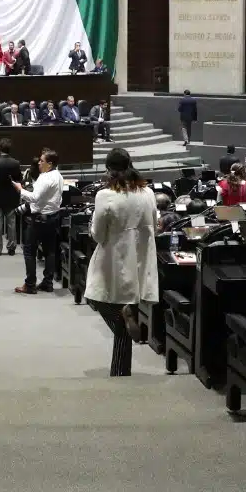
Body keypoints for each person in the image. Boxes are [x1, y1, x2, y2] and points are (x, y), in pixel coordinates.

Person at [84, 148, 159, 377]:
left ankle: (122, 318)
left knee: (94, 298)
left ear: (108, 169)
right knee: (124, 317)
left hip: (114, 258)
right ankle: (120, 372)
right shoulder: (147, 192)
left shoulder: (105, 195)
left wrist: (90, 227)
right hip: (141, 258)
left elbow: (98, 235)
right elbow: (154, 226)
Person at [15, 148, 63, 294]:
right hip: (53, 217)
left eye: (42, 161)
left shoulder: (45, 177)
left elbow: (34, 197)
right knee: (50, 251)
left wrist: (19, 189)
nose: (39, 163)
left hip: (40, 219)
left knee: (29, 251)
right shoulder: (58, 175)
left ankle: (30, 284)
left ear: (50, 163)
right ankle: (48, 283)